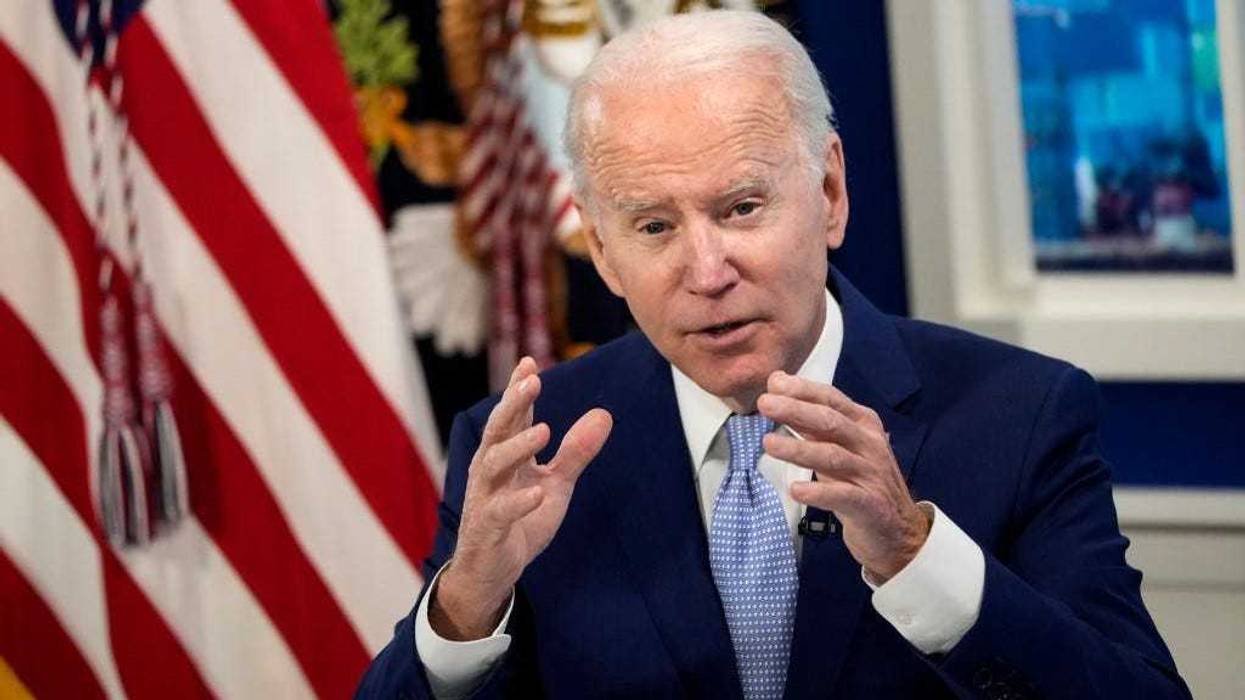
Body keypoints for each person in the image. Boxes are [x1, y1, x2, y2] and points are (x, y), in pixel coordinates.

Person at [357, 11, 1189, 699]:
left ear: (828, 193)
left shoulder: (1019, 414)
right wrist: (466, 608)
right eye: (652, 226)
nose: (706, 271)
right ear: (602, 250)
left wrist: (913, 553)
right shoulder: (529, 444)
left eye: (742, 207)